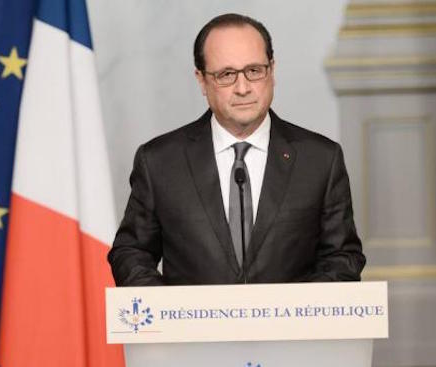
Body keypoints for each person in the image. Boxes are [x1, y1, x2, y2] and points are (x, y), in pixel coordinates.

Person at [108, 13, 365, 286]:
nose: (243, 88)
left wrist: (295, 313)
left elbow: (342, 258)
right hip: (193, 328)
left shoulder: (320, 160)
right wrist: (170, 312)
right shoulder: (160, 162)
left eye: (254, 71)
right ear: (202, 80)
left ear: (272, 71)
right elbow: (131, 252)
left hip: (289, 328)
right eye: (226, 75)